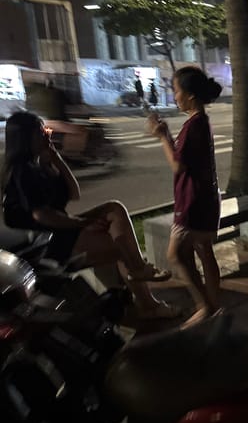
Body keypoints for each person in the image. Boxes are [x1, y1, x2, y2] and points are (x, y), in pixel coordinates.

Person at [1, 111, 177, 320]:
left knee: (114, 208)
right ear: (26, 137)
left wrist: (55, 158)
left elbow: (74, 193)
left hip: (59, 231)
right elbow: (43, 216)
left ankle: (139, 278)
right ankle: (147, 304)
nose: (47, 135)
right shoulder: (22, 172)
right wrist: (82, 223)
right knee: (119, 246)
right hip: (48, 245)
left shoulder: (36, 166)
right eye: (41, 132)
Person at [147, 66, 222, 321]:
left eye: (176, 90)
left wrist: (162, 137)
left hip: (192, 201)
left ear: (189, 95)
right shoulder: (201, 121)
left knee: (175, 254)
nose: (174, 95)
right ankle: (214, 304)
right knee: (204, 249)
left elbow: (178, 165)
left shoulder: (194, 126)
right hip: (206, 198)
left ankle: (205, 307)